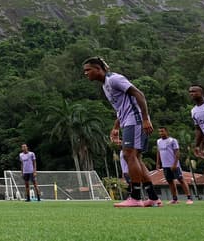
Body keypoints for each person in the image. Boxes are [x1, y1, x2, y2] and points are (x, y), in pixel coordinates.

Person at [83, 57, 160, 208]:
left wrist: (145, 119)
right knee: (135, 157)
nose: (86, 73)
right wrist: (116, 127)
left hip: (135, 119)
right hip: (127, 121)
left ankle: (136, 197)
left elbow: (139, 94)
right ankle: (153, 198)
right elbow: (121, 107)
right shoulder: (105, 85)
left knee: (128, 155)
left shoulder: (114, 79)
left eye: (88, 70)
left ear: (98, 69)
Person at [155, 127, 193, 204]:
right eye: (159, 132)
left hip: (174, 165)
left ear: (166, 131)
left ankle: (189, 198)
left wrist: (175, 164)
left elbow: (177, 152)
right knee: (170, 181)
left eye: (162, 131)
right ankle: (175, 199)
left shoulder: (172, 140)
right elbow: (158, 152)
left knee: (181, 180)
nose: (161, 133)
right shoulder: (158, 141)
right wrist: (158, 163)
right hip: (165, 166)